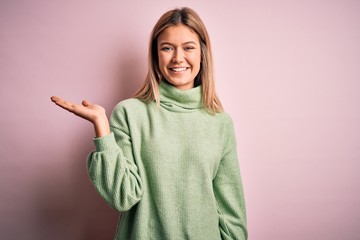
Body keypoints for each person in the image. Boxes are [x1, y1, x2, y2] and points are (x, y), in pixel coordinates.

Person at [51, 7, 247, 240]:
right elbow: (122, 197)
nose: (178, 58)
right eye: (167, 48)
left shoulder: (220, 123)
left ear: (202, 54)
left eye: (188, 47)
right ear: (155, 55)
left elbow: (232, 214)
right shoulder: (130, 113)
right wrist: (102, 128)